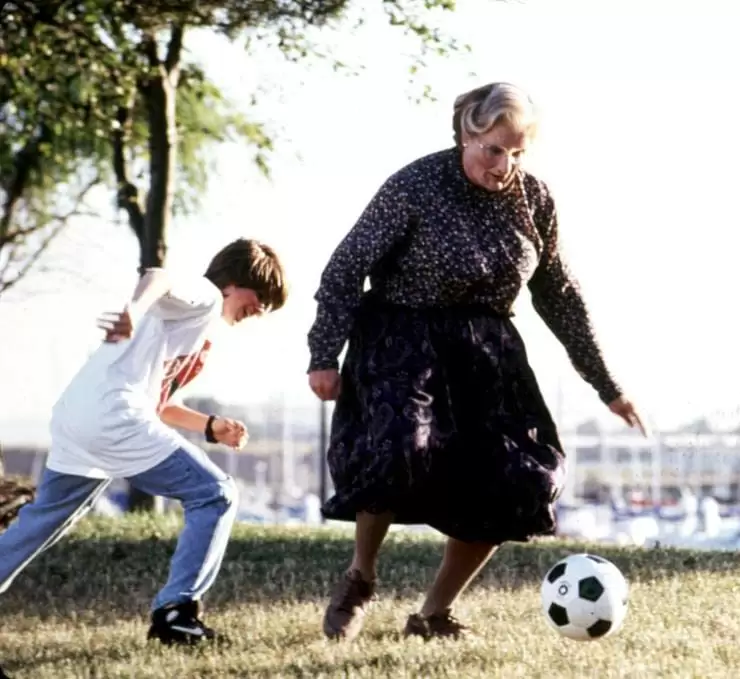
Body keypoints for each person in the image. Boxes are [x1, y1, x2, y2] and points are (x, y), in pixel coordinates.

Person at [307, 81, 645, 642]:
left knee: (520, 478)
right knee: (396, 451)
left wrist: (606, 383)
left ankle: (433, 613)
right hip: (402, 335)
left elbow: (559, 293)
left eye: (517, 153)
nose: (505, 165)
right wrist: (324, 352)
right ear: (467, 132)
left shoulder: (535, 201)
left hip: (486, 351)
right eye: (494, 149)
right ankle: (359, 579)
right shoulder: (414, 186)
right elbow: (346, 268)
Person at [0, 238, 287, 646]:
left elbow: (161, 405)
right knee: (216, 494)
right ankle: (176, 613)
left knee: (43, 520)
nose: (260, 310)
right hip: (114, 415)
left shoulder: (193, 329)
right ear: (234, 281)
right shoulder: (205, 296)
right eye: (261, 297)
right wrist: (131, 311)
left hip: (77, 415)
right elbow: (158, 276)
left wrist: (211, 425)